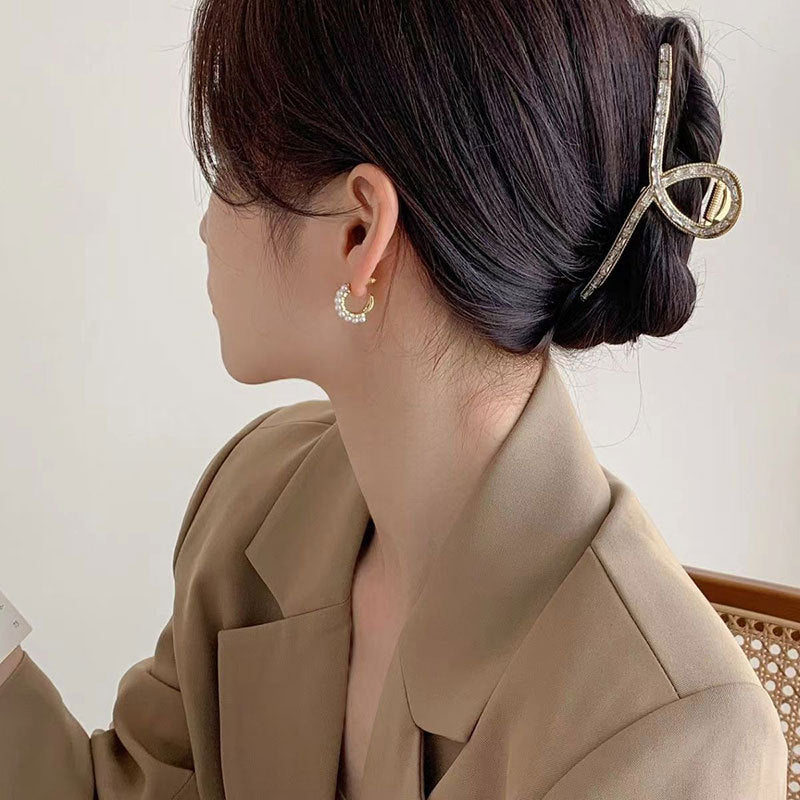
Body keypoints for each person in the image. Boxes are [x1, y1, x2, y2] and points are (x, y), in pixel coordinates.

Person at [0, 0, 788, 798]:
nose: (206, 224)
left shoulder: (679, 738)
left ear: (359, 234)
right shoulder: (257, 495)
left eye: (229, 169)